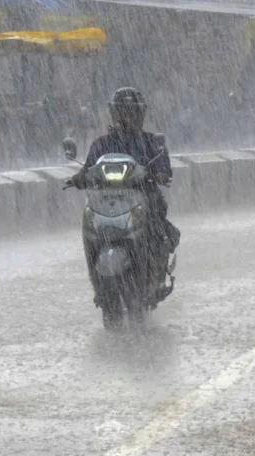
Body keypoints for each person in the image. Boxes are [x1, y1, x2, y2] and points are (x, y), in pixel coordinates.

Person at [66, 87, 181, 305]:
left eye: (131, 112)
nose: (126, 117)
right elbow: (89, 168)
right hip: (106, 202)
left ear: (140, 114)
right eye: (122, 112)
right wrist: (78, 178)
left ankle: (156, 269)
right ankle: (98, 282)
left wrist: (160, 175)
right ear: (114, 114)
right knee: (90, 231)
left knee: (158, 226)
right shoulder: (101, 144)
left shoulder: (150, 143)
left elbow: (164, 168)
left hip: (142, 198)